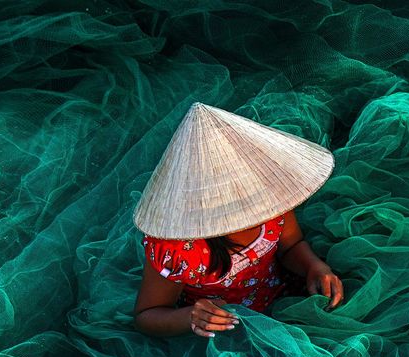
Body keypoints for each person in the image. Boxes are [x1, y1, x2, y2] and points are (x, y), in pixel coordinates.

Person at [129, 101, 343, 338]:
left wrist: (313, 265)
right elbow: (146, 316)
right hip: (224, 332)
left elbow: (291, 245)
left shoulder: (271, 199)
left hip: (281, 295)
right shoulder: (177, 250)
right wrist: (191, 317)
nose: (256, 210)